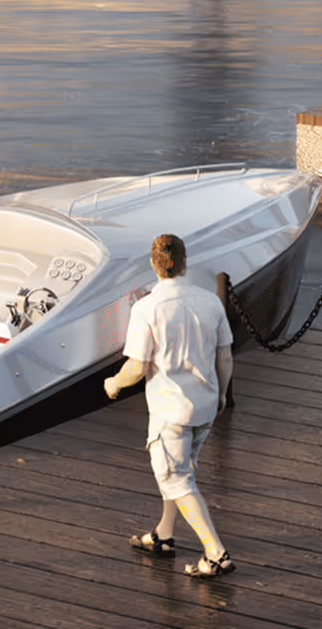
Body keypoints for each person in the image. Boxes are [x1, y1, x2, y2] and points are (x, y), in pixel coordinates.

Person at [105, 232, 236, 578]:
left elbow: (135, 367)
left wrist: (113, 384)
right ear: (184, 263)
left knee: (177, 480)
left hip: (171, 413)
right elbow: (225, 356)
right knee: (180, 473)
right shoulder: (211, 302)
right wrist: (221, 395)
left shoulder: (146, 308)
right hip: (205, 406)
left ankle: (216, 553)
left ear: (153, 264)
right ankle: (164, 535)